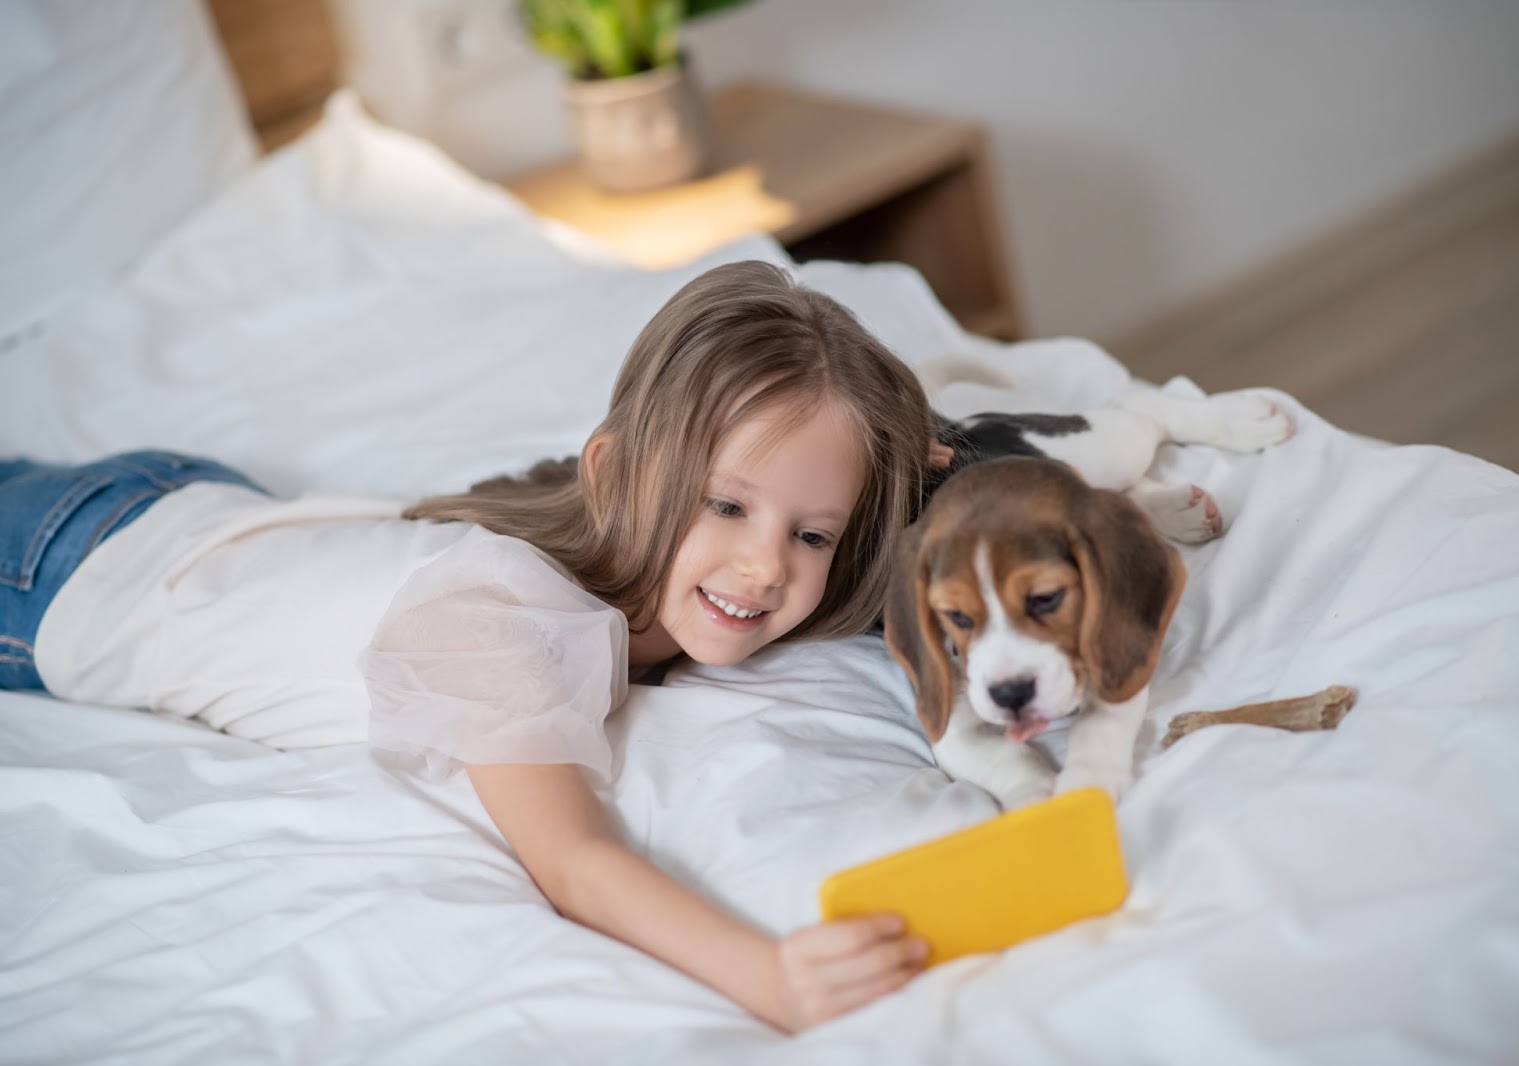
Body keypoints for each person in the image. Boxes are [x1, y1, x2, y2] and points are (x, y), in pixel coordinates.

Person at [0, 260, 944, 1032]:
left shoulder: (626, 574)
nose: (764, 565)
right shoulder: (507, 623)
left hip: (198, 507)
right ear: (613, 469)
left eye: (812, 534)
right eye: (726, 504)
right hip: (64, 575)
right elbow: (574, 862)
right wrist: (770, 977)